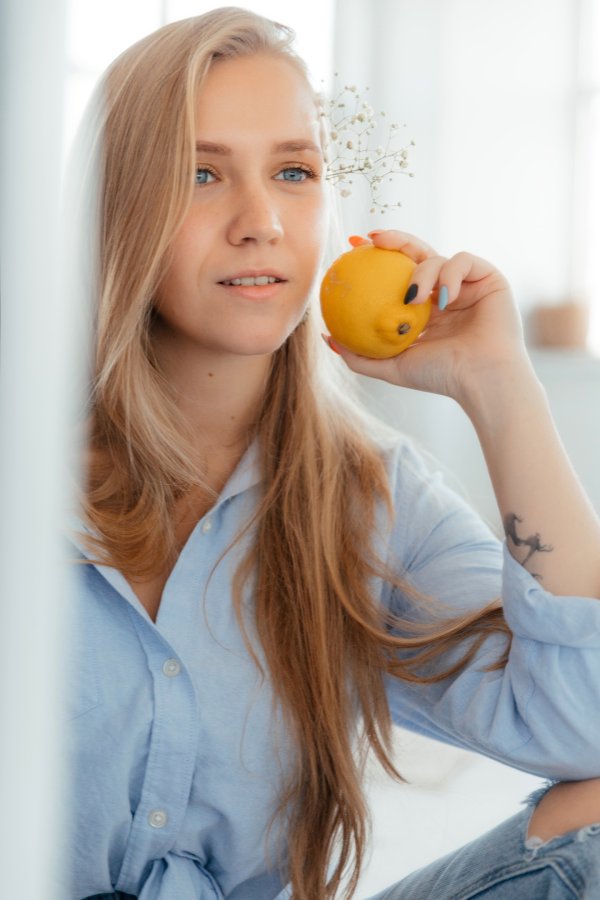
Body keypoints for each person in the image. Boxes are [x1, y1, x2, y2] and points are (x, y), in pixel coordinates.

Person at [65, 7, 600, 900]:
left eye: (293, 171)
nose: (262, 219)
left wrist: (501, 387)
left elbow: (583, 726)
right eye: (200, 173)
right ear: (119, 205)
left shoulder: (368, 495)